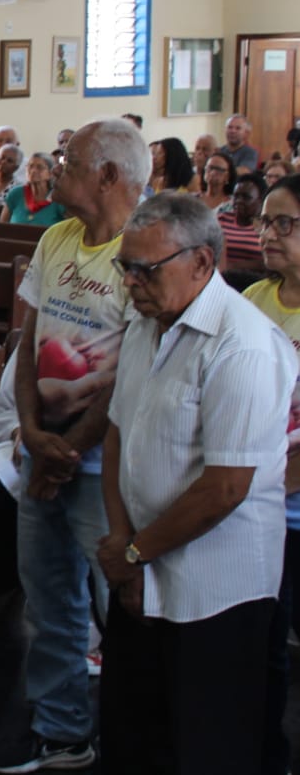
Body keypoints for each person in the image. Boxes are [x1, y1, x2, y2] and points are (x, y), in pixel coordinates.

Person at [98, 193, 294, 774]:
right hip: (139, 569)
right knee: (134, 737)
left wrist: (134, 552)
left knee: (205, 746)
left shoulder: (244, 345)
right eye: (125, 266)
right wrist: (119, 541)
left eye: (146, 269)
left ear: (203, 263)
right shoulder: (146, 323)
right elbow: (117, 435)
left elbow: (227, 487)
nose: (131, 281)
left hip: (215, 589)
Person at [0, 118, 148, 774]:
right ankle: (61, 728)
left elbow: (135, 368)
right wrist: (30, 432)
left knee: (124, 607)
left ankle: (134, 732)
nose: (55, 170)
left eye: (69, 161)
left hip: (103, 463)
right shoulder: (55, 239)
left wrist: (72, 448)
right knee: (50, 600)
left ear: (107, 175)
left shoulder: (143, 250)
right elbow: (25, 340)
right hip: (43, 449)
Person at [244, 174, 300, 775]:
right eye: (264, 222)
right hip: (257, 505)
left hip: (282, 498)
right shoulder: (255, 299)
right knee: (265, 643)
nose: (269, 234)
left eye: (285, 223)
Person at [1, 151, 66, 226]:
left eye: (40, 167)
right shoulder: (16, 194)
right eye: (30, 166)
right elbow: (3, 226)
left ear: (50, 174)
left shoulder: (58, 198)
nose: (33, 171)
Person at [219, 174, 265, 276]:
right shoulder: (221, 219)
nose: (239, 201)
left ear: (261, 200)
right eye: (236, 196)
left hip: (254, 281)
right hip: (220, 279)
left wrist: (231, 266)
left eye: (246, 197)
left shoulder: (267, 226)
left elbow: (266, 263)